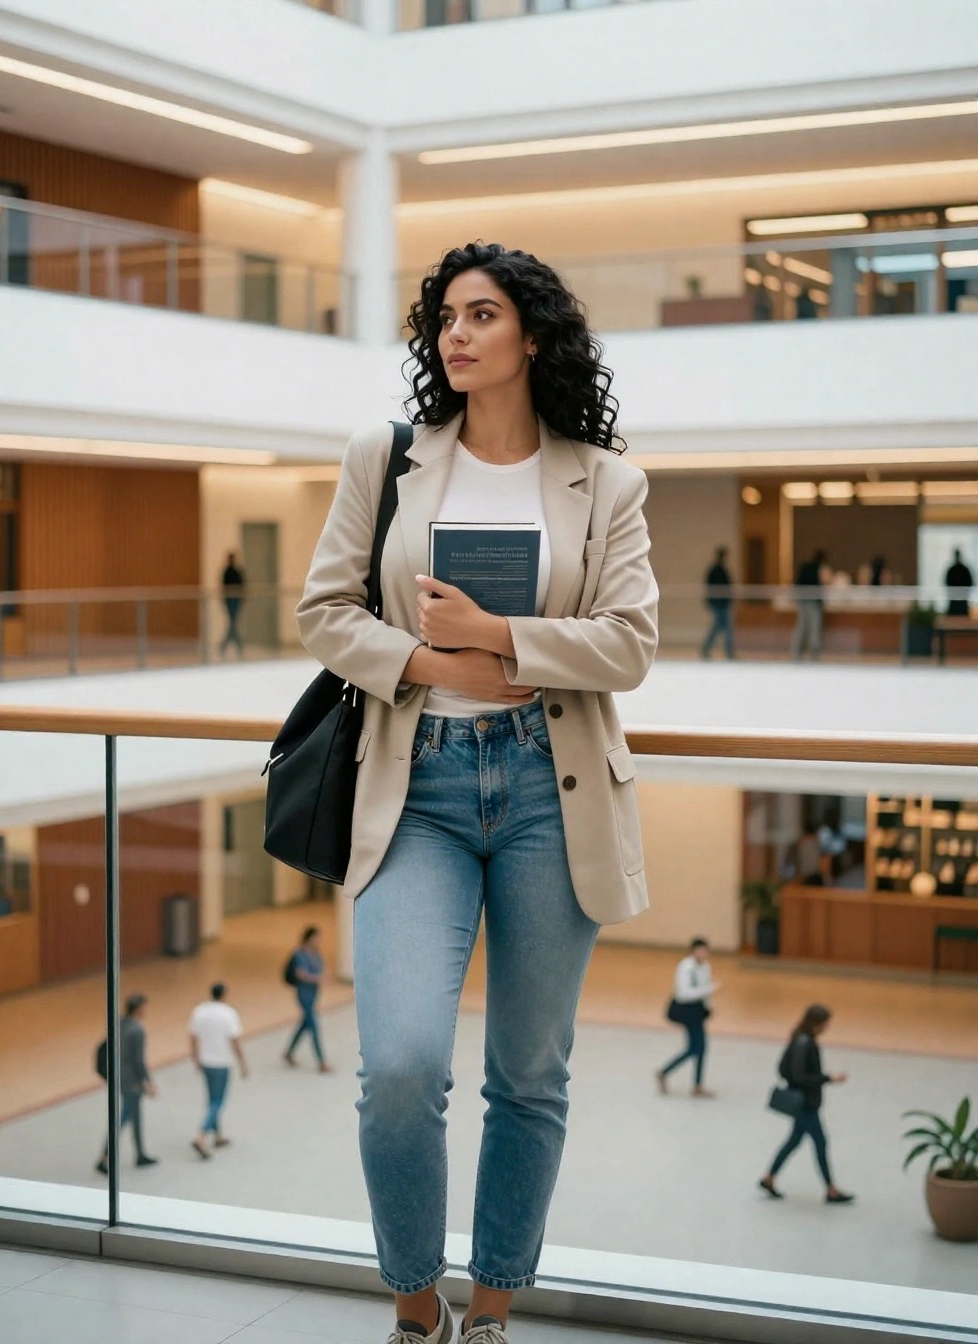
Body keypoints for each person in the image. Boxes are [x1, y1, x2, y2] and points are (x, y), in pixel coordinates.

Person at [297, 242, 658, 1344]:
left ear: (532, 337)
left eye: (481, 315)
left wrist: (498, 635)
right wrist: (438, 665)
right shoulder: (388, 456)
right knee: (400, 1064)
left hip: (555, 790)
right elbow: (323, 614)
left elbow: (629, 643)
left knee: (528, 1076)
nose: (455, 335)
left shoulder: (606, 481)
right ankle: (418, 1309)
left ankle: (493, 1309)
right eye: (444, 317)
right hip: (418, 787)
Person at [759, 1004, 854, 1204]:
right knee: (820, 1142)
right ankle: (830, 1188)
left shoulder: (799, 1039)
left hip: (803, 1104)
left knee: (794, 1141)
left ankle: (770, 1177)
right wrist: (828, 1078)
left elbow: (784, 1069)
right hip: (807, 1104)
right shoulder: (805, 1043)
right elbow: (801, 1076)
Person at [96, 993, 158, 1175]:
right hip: (132, 1080)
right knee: (124, 1117)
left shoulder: (119, 1024)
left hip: (119, 1075)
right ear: (139, 1009)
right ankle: (105, 1156)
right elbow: (138, 1060)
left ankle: (140, 1153)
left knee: (135, 1115)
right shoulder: (137, 1031)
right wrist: (148, 1082)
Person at [188, 982, 248, 1159]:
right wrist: (243, 1063)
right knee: (218, 1102)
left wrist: (195, 1058)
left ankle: (218, 1135)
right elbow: (235, 1041)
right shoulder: (229, 1014)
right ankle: (201, 1135)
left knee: (211, 1099)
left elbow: (193, 1037)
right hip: (221, 1062)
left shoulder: (199, 1011)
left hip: (206, 1061)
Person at [655, 938, 718, 1098]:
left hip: (697, 1010)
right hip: (688, 1010)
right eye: (700, 950)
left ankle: (695, 1083)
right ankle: (666, 1072)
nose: (703, 954)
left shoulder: (705, 967)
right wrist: (708, 989)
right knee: (696, 1048)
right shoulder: (686, 967)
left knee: (699, 1048)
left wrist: (709, 1006)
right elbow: (684, 993)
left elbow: (704, 990)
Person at [283, 926, 332, 1073]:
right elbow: (300, 973)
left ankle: (289, 1052)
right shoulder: (300, 954)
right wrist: (316, 978)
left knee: (305, 1023)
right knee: (313, 1026)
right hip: (303, 993)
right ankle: (321, 1060)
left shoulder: (316, 954)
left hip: (313, 993)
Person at [791, 549, 827, 660]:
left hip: (803, 601)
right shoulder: (815, 569)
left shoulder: (806, 567)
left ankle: (797, 653)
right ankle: (813, 654)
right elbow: (817, 586)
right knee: (813, 627)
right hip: (812, 602)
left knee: (802, 626)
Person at [701, 546, 734, 660]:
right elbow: (711, 587)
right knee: (719, 627)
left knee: (723, 628)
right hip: (718, 603)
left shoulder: (721, 570)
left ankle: (728, 651)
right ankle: (708, 649)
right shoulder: (715, 570)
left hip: (723, 603)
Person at [220, 550, 246, 657]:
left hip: (236, 600)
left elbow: (242, 585)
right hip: (229, 600)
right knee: (232, 623)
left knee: (232, 623)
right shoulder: (227, 572)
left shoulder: (237, 571)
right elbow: (224, 587)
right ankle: (235, 644)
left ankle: (225, 645)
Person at [944, 549, 974, 618]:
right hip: (955, 599)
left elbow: (969, 583)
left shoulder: (958, 569)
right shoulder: (957, 569)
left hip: (961, 599)